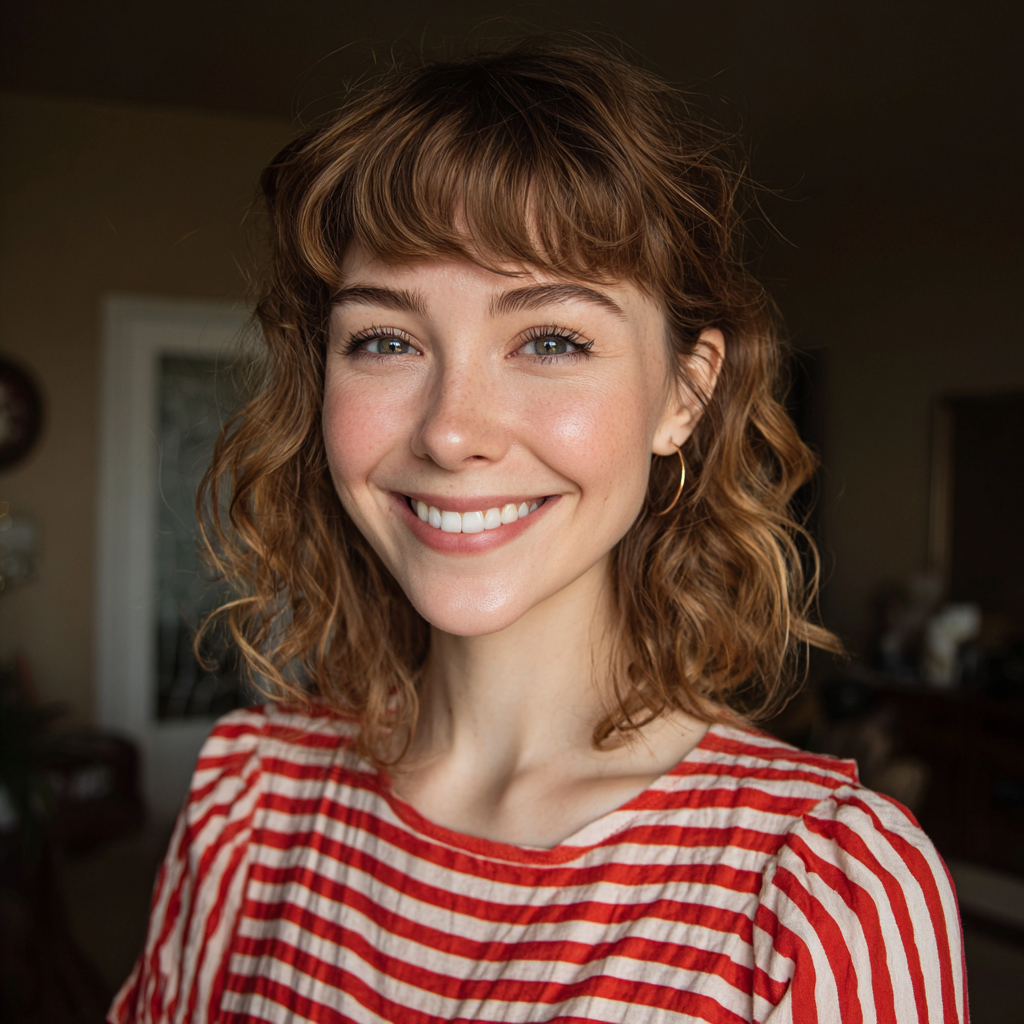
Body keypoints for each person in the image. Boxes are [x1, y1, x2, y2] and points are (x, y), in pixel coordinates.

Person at [111, 38, 966, 1024]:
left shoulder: (820, 894)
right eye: (385, 339)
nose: (450, 429)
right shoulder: (245, 805)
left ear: (684, 395)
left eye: (550, 339)